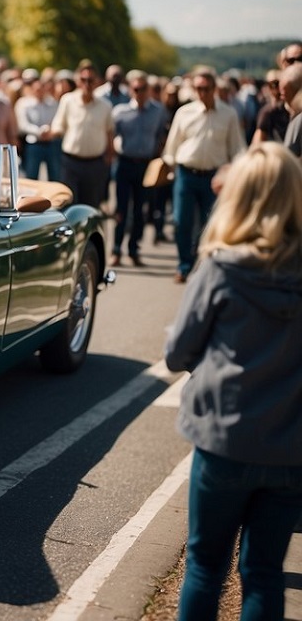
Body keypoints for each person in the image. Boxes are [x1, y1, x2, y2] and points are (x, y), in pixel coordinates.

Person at [164, 141, 302, 621]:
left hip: (225, 437)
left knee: (206, 566)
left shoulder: (222, 265)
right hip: (290, 445)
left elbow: (179, 351)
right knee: (264, 571)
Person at [161, 66, 246, 283]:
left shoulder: (229, 114)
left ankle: (203, 266)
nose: (201, 93)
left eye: (206, 88)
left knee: (210, 224)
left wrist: (234, 175)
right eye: (197, 88)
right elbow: (172, 147)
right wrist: (170, 170)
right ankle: (184, 265)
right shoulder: (184, 112)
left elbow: (237, 149)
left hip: (213, 177)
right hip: (186, 174)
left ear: (214, 88)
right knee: (181, 221)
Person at [109, 70, 165, 267]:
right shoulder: (120, 112)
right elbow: (111, 136)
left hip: (145, 165)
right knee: (122, 209)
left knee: (140, 210)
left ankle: (134, 249)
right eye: (136, 89)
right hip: (125, 163)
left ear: (148, 90)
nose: (139, 93)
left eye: (143, 89)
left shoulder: (158, 111)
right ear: (131, 90)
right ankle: (116, 249)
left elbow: (160, 136)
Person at [51, 61, 114, 208]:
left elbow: (109, 131)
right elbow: (58, 125)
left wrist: (109, 156)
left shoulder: (105, 106)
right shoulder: (68, 100)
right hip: (71, 162)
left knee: (90, 207)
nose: (87, 84)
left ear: (97, 82)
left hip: (94, 164)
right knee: (69, 205)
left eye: (90, 80)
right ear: (78, 81)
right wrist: (50, 133)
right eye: (83, 80)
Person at [14, 75, 62, 181]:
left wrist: (50, 131)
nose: (39, 92)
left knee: (55, 176)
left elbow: (57, 120)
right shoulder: (24, 104)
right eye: (37, 89)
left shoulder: (53, 104)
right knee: (31, 176)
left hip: (51, 143)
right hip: (33, 144)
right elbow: (23, 125)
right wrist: (39, 132)